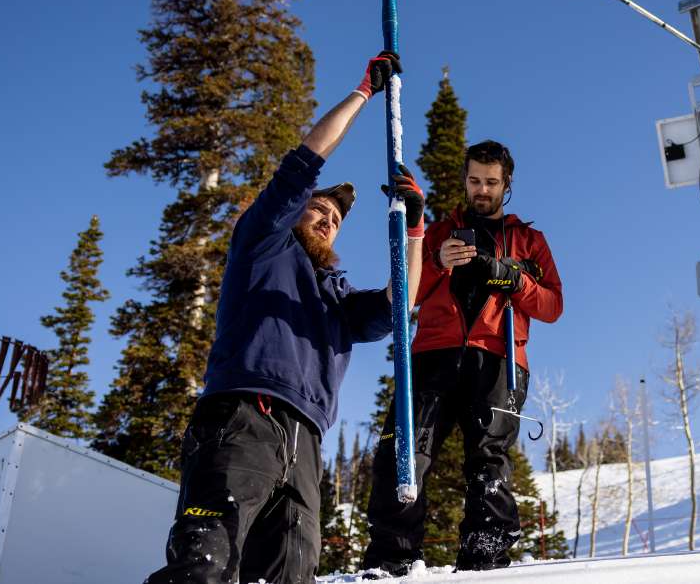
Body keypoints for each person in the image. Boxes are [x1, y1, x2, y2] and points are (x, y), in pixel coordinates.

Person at [145, 51, 425, 584]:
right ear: (295, 210)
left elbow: (399, 305)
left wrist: (415, 231)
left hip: (306, 442)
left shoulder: (337, 299)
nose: (326, 219)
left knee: (290, 575)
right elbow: (306, 159)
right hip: (242, 419)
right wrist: (364, 92)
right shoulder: (264, 242)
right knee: (205, 563)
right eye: (318, 209)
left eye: (337, 219)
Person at [363, 140, 564, 574]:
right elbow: (406, 294)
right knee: (404, 450)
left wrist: (513, 278)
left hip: (499, 357)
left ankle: (485, 557)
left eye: (491, 182)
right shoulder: (436, 233)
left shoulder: (530, 240)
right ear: (464, 180)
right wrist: (436, 261)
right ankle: (391, 560)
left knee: (488, 458)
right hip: (432, 354)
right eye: (475, 180)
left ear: (506, 184)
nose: (482, 190)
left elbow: (553, 306)